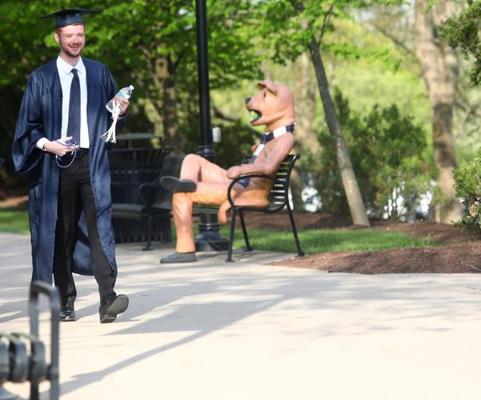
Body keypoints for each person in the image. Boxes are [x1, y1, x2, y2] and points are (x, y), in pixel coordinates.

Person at [12, 9, 129, 323]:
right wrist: (48, 145)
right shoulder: (41, 78)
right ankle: (66, 301)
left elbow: (109, 118)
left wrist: (119, 110)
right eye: (69, 35)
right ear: (57, 37)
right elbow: (27, 128)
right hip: (57, 165)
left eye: (80, 34)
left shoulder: (99, 73)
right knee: (60, 233)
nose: (76, 40)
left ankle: (108, 299)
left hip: (92, 162)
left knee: (101, 229)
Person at [159, 80, 295, 263]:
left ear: (282, 103)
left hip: (247, 189)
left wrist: (242, 169)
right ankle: (188, 182)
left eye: (264, 96)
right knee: (192, 158)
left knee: (181, 194)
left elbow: (269, 167)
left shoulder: (285, 138)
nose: (255, 99)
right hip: (240, 183)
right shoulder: (270, 138)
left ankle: (185, 251)